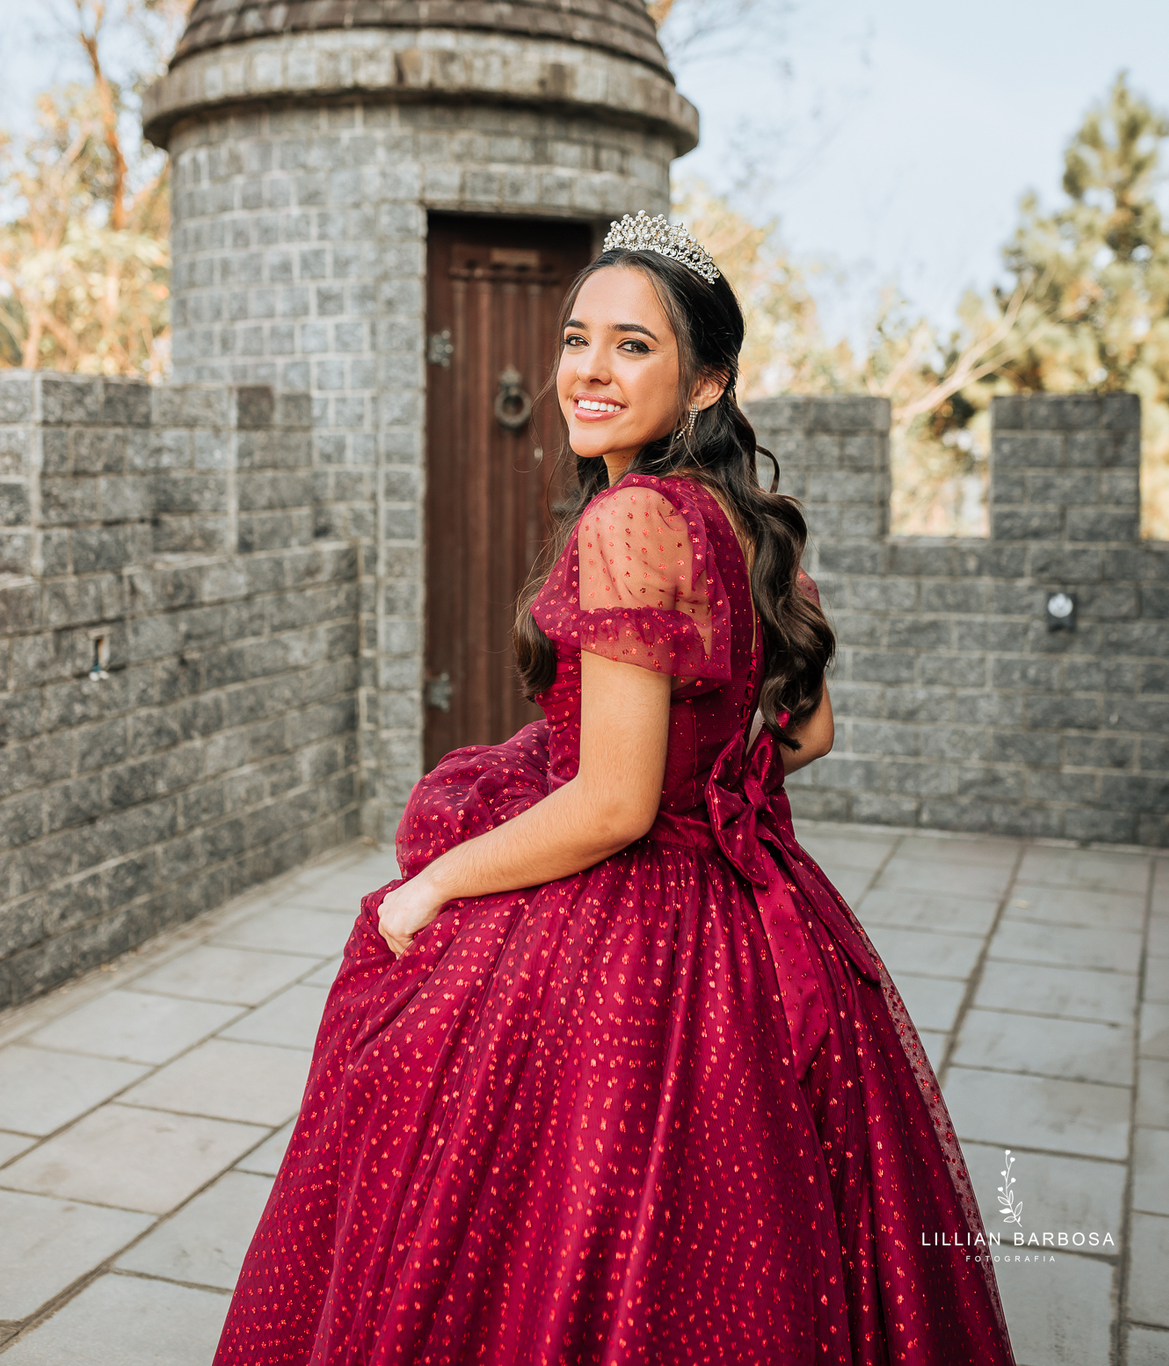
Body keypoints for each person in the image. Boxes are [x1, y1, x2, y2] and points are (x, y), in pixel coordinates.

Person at [212, 213, 1016, 1366]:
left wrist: (434, 884)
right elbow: (809, 732)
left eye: (633, 346)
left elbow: (614, 806)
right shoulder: (747, 522)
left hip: (637, 936)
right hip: (751, 910)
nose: (589, 371)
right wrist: (712, 786)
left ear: (706, 382)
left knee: (539, 1221)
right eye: (576, 339)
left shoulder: (634, 518)